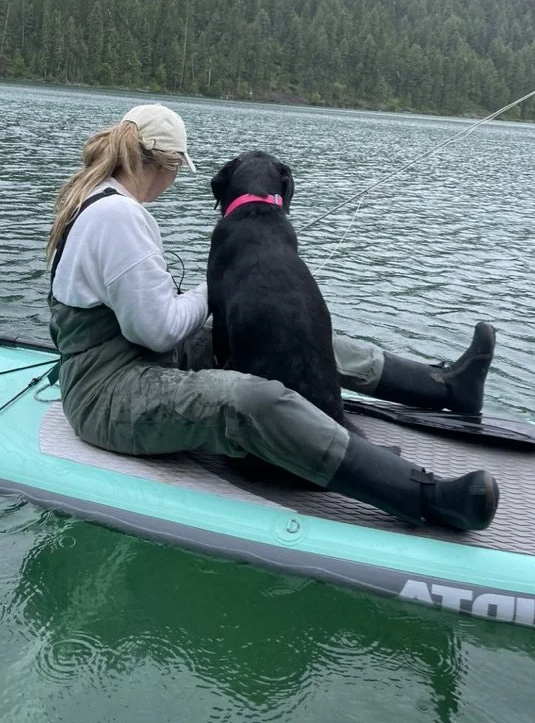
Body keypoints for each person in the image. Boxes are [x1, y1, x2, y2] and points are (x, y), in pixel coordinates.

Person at [47, 103, 500, 531]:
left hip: (131, 360)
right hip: (108, 395)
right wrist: (219, 284)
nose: (172, 182)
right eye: (176, 172)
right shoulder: (120, 215)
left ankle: (446, 388)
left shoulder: (101, 199)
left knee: (284, 330)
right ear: (165, 163)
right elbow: (158, 330)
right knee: (249, 400)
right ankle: (424, 496)